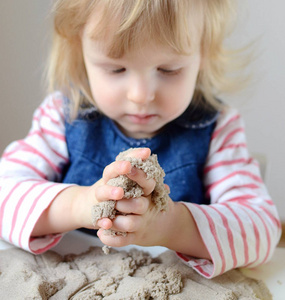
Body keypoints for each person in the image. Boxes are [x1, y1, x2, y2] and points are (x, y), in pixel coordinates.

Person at [0, 0, 281, 279]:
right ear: (79, 51)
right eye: (116, 69)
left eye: (168, 70)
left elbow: (263, 232)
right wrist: (80, 205)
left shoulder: (217, 128)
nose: (141, 95)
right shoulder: (62, 117)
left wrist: (173, 226)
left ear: (203, 55)